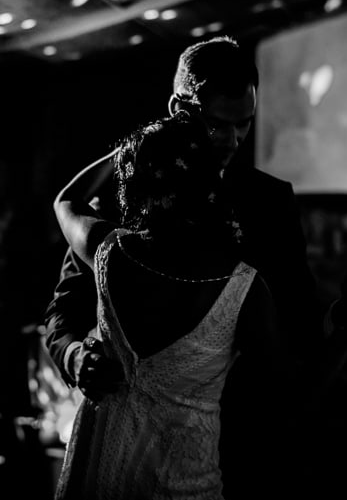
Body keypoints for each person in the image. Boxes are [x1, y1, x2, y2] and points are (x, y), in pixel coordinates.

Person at [43, 36, 347, 499]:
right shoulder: (118, 197)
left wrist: (344, 318)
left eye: (244, 125)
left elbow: (300, 329)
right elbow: (62, 315)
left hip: (239, 453)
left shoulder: (269, 204)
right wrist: (75, 357)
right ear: (178, 109)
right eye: (216, 125)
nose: (231, 141)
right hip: (108, 446)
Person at [52, 110, 297, 499]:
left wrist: (142, 148)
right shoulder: (244, 287)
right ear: (210, 182)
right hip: (184, 486)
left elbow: (67, 199)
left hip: (99, 477)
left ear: (137, 182)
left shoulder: (111, 253)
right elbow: (289, 400)